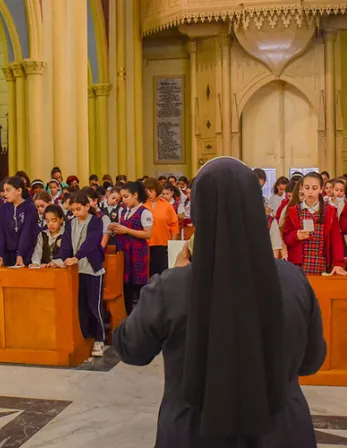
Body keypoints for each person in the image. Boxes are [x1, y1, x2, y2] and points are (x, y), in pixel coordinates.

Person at [113, 157, 325, 448]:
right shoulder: (292, 280)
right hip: (280, 431)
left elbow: (131, 348)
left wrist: (171, 277)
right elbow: (311, 361)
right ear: (254, 204)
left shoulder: (173, 286)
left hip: (193, 432)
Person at [51, 191, 107, 357]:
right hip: (77, 271)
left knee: (93, 305)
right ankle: (85, 336)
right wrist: (58, 260)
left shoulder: (96, 222)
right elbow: (66, 246)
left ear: (87, 206)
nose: (75, 213)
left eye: (78, 209)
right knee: (80, 306)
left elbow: (91, 243)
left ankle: (99, 339)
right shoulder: (70, 224)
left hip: (92, 269)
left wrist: (76, 257)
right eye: (72, 210)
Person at [282, 172, 347, 275]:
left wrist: (338, 263)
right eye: (307, 188)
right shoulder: (293, 211)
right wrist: (296, 236)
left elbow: (336, 239)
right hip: (298, 265)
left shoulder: (329, 211)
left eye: (314, 188)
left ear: (321, 189)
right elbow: (286, 237)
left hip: (322, 264)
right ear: (302, 188)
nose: (310, 192)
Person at [109, 181, 153, 315]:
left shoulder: (144, 212)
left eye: (126, 196)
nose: (124, 200)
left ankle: (141, 316)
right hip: (125, 252)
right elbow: (122, 229)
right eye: (122, 197)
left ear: (135, 195)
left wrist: (127, 230)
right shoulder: (123, 210)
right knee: (126, 284)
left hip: (137, 251)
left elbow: (148, 234)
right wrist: (114, 229)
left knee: (138, 285)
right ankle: (127, 315)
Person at [0, 177, 40, 267]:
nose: (5, 194)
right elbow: (1, 232)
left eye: (8, 190)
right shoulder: (3, 208)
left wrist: (20, 254)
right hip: (8, 254)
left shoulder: (30, 208)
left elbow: (27, 232)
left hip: (26, 253)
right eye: (4, 191)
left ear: (19, 190)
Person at [143, 177, 179, 276]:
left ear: (157, 191)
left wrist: (172, 246)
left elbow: (174, 226)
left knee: (162, 274)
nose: (148, 193)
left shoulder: (167, 206)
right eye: (146, 191)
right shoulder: (142, 206)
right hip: (145, 245)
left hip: (163, 245)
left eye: (151, 191)